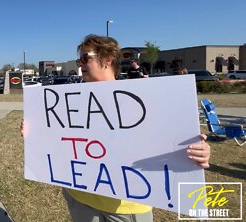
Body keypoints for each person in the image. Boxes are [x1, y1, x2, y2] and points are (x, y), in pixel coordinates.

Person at [22, 34, 210, 222]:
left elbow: (168, 137)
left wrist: (198, 151)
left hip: (126, 205)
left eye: (85, 58)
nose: (80, 64)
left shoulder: (142, 98)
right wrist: (35, 133)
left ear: (107, 60)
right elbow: (59, 138)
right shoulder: (68, 101)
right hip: (79, 197)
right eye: (79, 59)